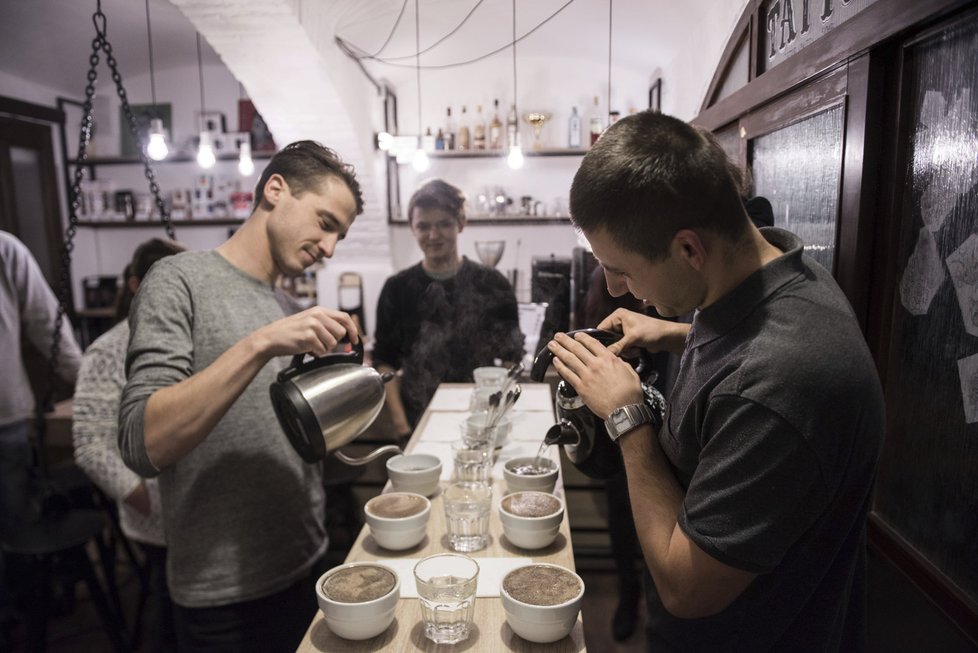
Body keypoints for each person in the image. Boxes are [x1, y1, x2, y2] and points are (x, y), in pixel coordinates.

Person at [544, 111, 885, 652]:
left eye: (624, 269)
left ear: (688, 250)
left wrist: (627, 418)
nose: (614, 289)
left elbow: (687, 588)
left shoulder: (780, 386)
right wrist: (674, 332)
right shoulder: (772, 269)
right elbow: (745, 344)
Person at [118, 141, 364, 653]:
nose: (330, 246)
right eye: (324, 222)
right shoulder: (179, 280)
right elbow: (143, 444)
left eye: (339, 234)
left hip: (308, 561)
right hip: (223, 594)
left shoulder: (287, 304)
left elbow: (290, 437)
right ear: (276, 190)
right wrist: (260, 343)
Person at [72, 237, 185, 653]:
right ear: (137, 285)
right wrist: (140, 496)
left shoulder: (196, 334)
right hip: (156, 514)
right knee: (168, 610)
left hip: (204, 509)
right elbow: (90, 442)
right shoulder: (109, 350)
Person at [373, 178, 523, 437]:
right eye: (424, 226)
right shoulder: (397, 288)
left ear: (461, 224)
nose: (433, 235)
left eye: (443, 224)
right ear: (412, 228)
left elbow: (512, 358)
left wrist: (499, 416)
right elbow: (384, 363)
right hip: (417, 420)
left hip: (481, 420)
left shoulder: (492, 283)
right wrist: (402, 428)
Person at [0, 230, 83, 646]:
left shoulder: (3, 248)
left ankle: (19, 614)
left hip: (6, 419)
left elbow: (47, 325)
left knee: (16, 533)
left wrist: (91, 387)